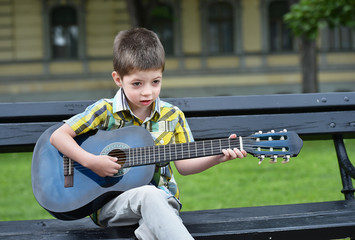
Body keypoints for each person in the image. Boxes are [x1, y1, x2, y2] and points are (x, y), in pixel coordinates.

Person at [50, 27, 247, 240]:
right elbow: (58, 136)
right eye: (137, 83)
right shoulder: (104, 111)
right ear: (118, 79)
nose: (147, 92)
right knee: (149, 194)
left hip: (164, 204)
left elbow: (185, 167)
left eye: (156, 82)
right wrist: (90, 161)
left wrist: (218, 156)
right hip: (112, 204)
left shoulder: (172, 116)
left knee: (152, 221)